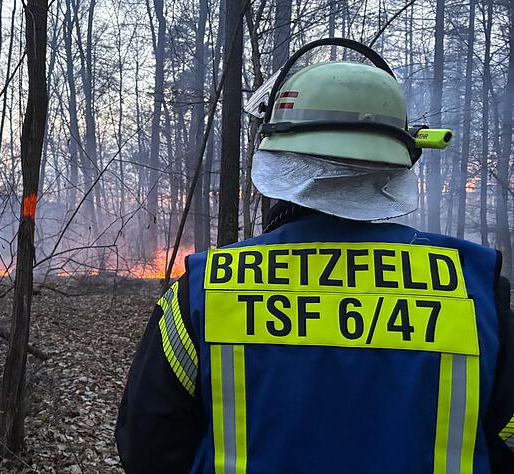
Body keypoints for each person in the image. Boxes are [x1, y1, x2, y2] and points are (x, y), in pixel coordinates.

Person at [115, 38, 514, 474]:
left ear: (279, 159)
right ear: (401, 162)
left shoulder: (205, 288)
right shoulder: (478, 290)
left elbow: (147, 446)